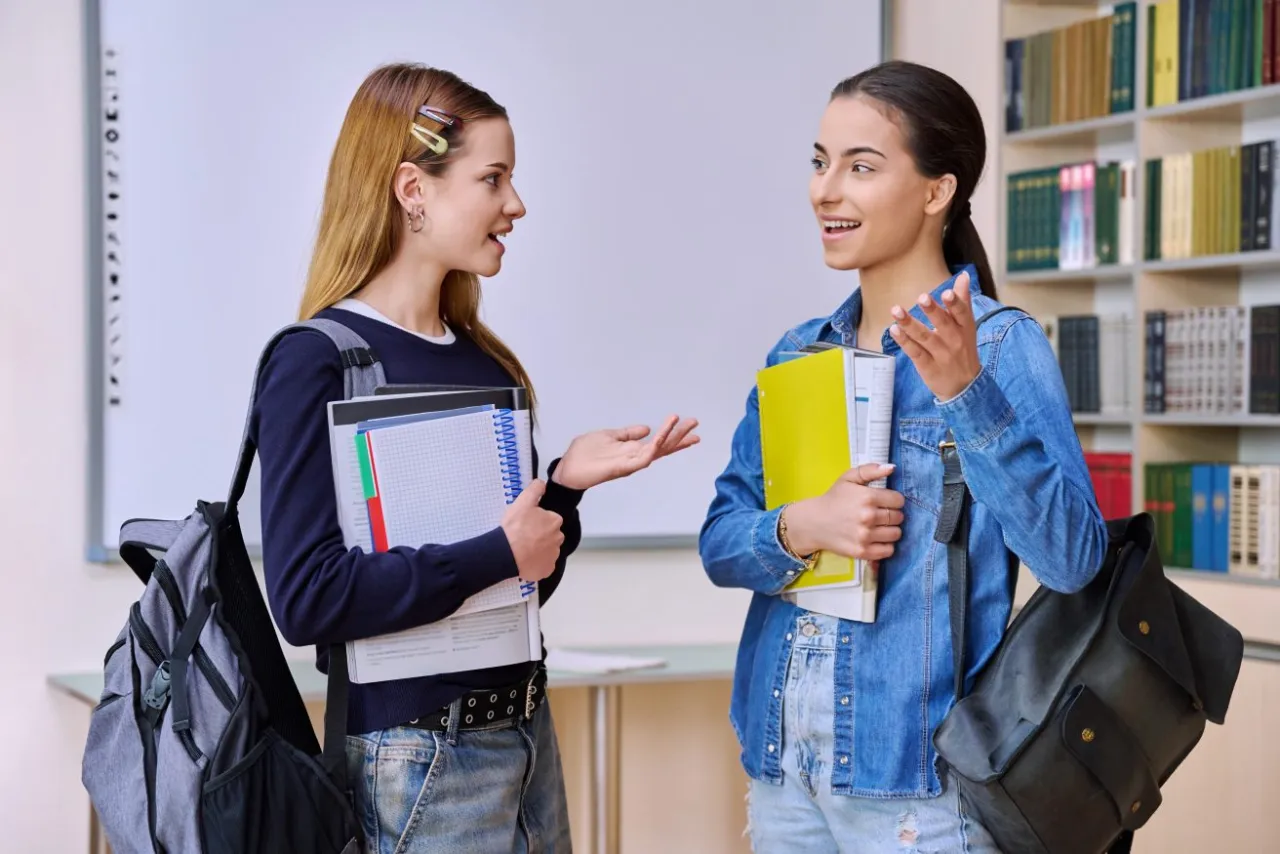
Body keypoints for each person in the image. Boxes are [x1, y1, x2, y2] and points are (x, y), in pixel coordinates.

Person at [249, 62, 699, 854]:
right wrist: (498, 550)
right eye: (493, 179)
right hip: (410, 763)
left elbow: (517, 592)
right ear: (412, 189)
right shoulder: (314, 362)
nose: (515, 205)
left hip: (526, 741)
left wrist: (562, 489)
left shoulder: (489, 368)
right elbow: (308, 599)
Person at [698, 59, 1109, 853]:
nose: (826, 191)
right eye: (820, 163)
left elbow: (1074, 561)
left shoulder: (999, 346)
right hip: (785, 770)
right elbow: (721, 542)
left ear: (935, 191)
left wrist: (966, 393)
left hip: (919, 785)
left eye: (861, 167)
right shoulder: (796, 354)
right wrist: (802, 527)